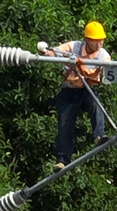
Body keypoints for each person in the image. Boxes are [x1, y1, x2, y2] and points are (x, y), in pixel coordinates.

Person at [38, 21, 111, 171]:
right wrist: (46, 53)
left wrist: (80, 66)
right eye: (96, 41)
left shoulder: (104, 56)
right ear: (87, 39)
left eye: (101, 40)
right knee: (65, 124)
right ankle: (62, 160)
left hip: (87, 90)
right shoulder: (74, 47)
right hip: (69, 91)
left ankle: (99, 135)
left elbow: (99, 77)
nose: (99, 44)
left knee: (96, 105)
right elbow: (57, 51)